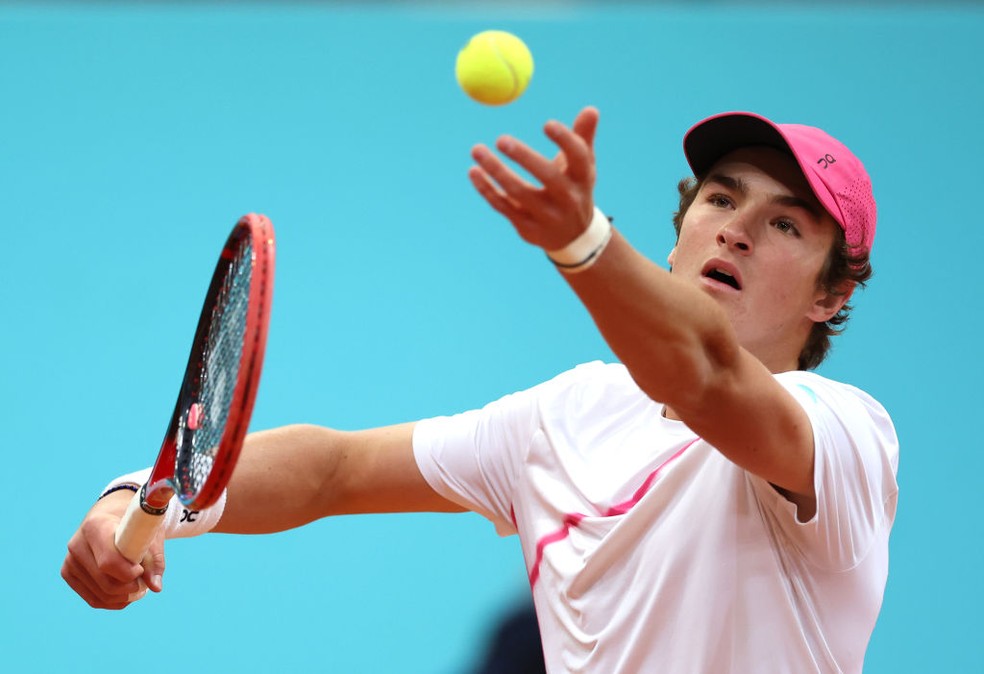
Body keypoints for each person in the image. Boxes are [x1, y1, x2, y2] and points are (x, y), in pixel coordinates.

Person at [62, 107, 899, 673]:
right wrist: (141, 500)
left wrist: (582, 243)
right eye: (721, 197)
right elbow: (333, 471)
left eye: (786, 223)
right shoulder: (572, 413)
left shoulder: (847, 437)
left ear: (832, 295)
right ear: (679, 232)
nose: (738, 228)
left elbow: (708, 374)